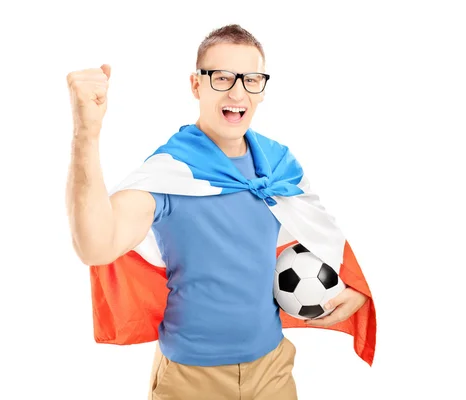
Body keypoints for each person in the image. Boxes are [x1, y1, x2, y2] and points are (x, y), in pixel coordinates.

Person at [66, 24, 369, 400]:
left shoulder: (278, 166)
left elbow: (322, 234)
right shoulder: (171, 172)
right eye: (222, 77)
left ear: (262, 88)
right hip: (190, 380)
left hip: (272, 369)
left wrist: (356, 289)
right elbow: (96, 245)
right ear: (197, 85)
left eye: (251, 79)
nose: (238, 92)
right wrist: (86, 132)